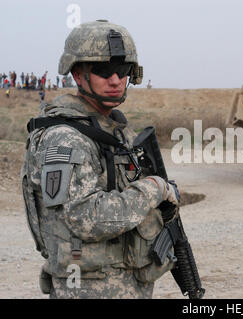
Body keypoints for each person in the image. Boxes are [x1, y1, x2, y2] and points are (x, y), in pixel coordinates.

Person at [21, 20, 179, 299]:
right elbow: (84, 217)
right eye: (103, 71)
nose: (115, 80)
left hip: (119, 283)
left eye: (122, 70)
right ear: (78, 74)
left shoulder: (109, 129)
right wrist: (153, 189)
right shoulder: (66, 138)